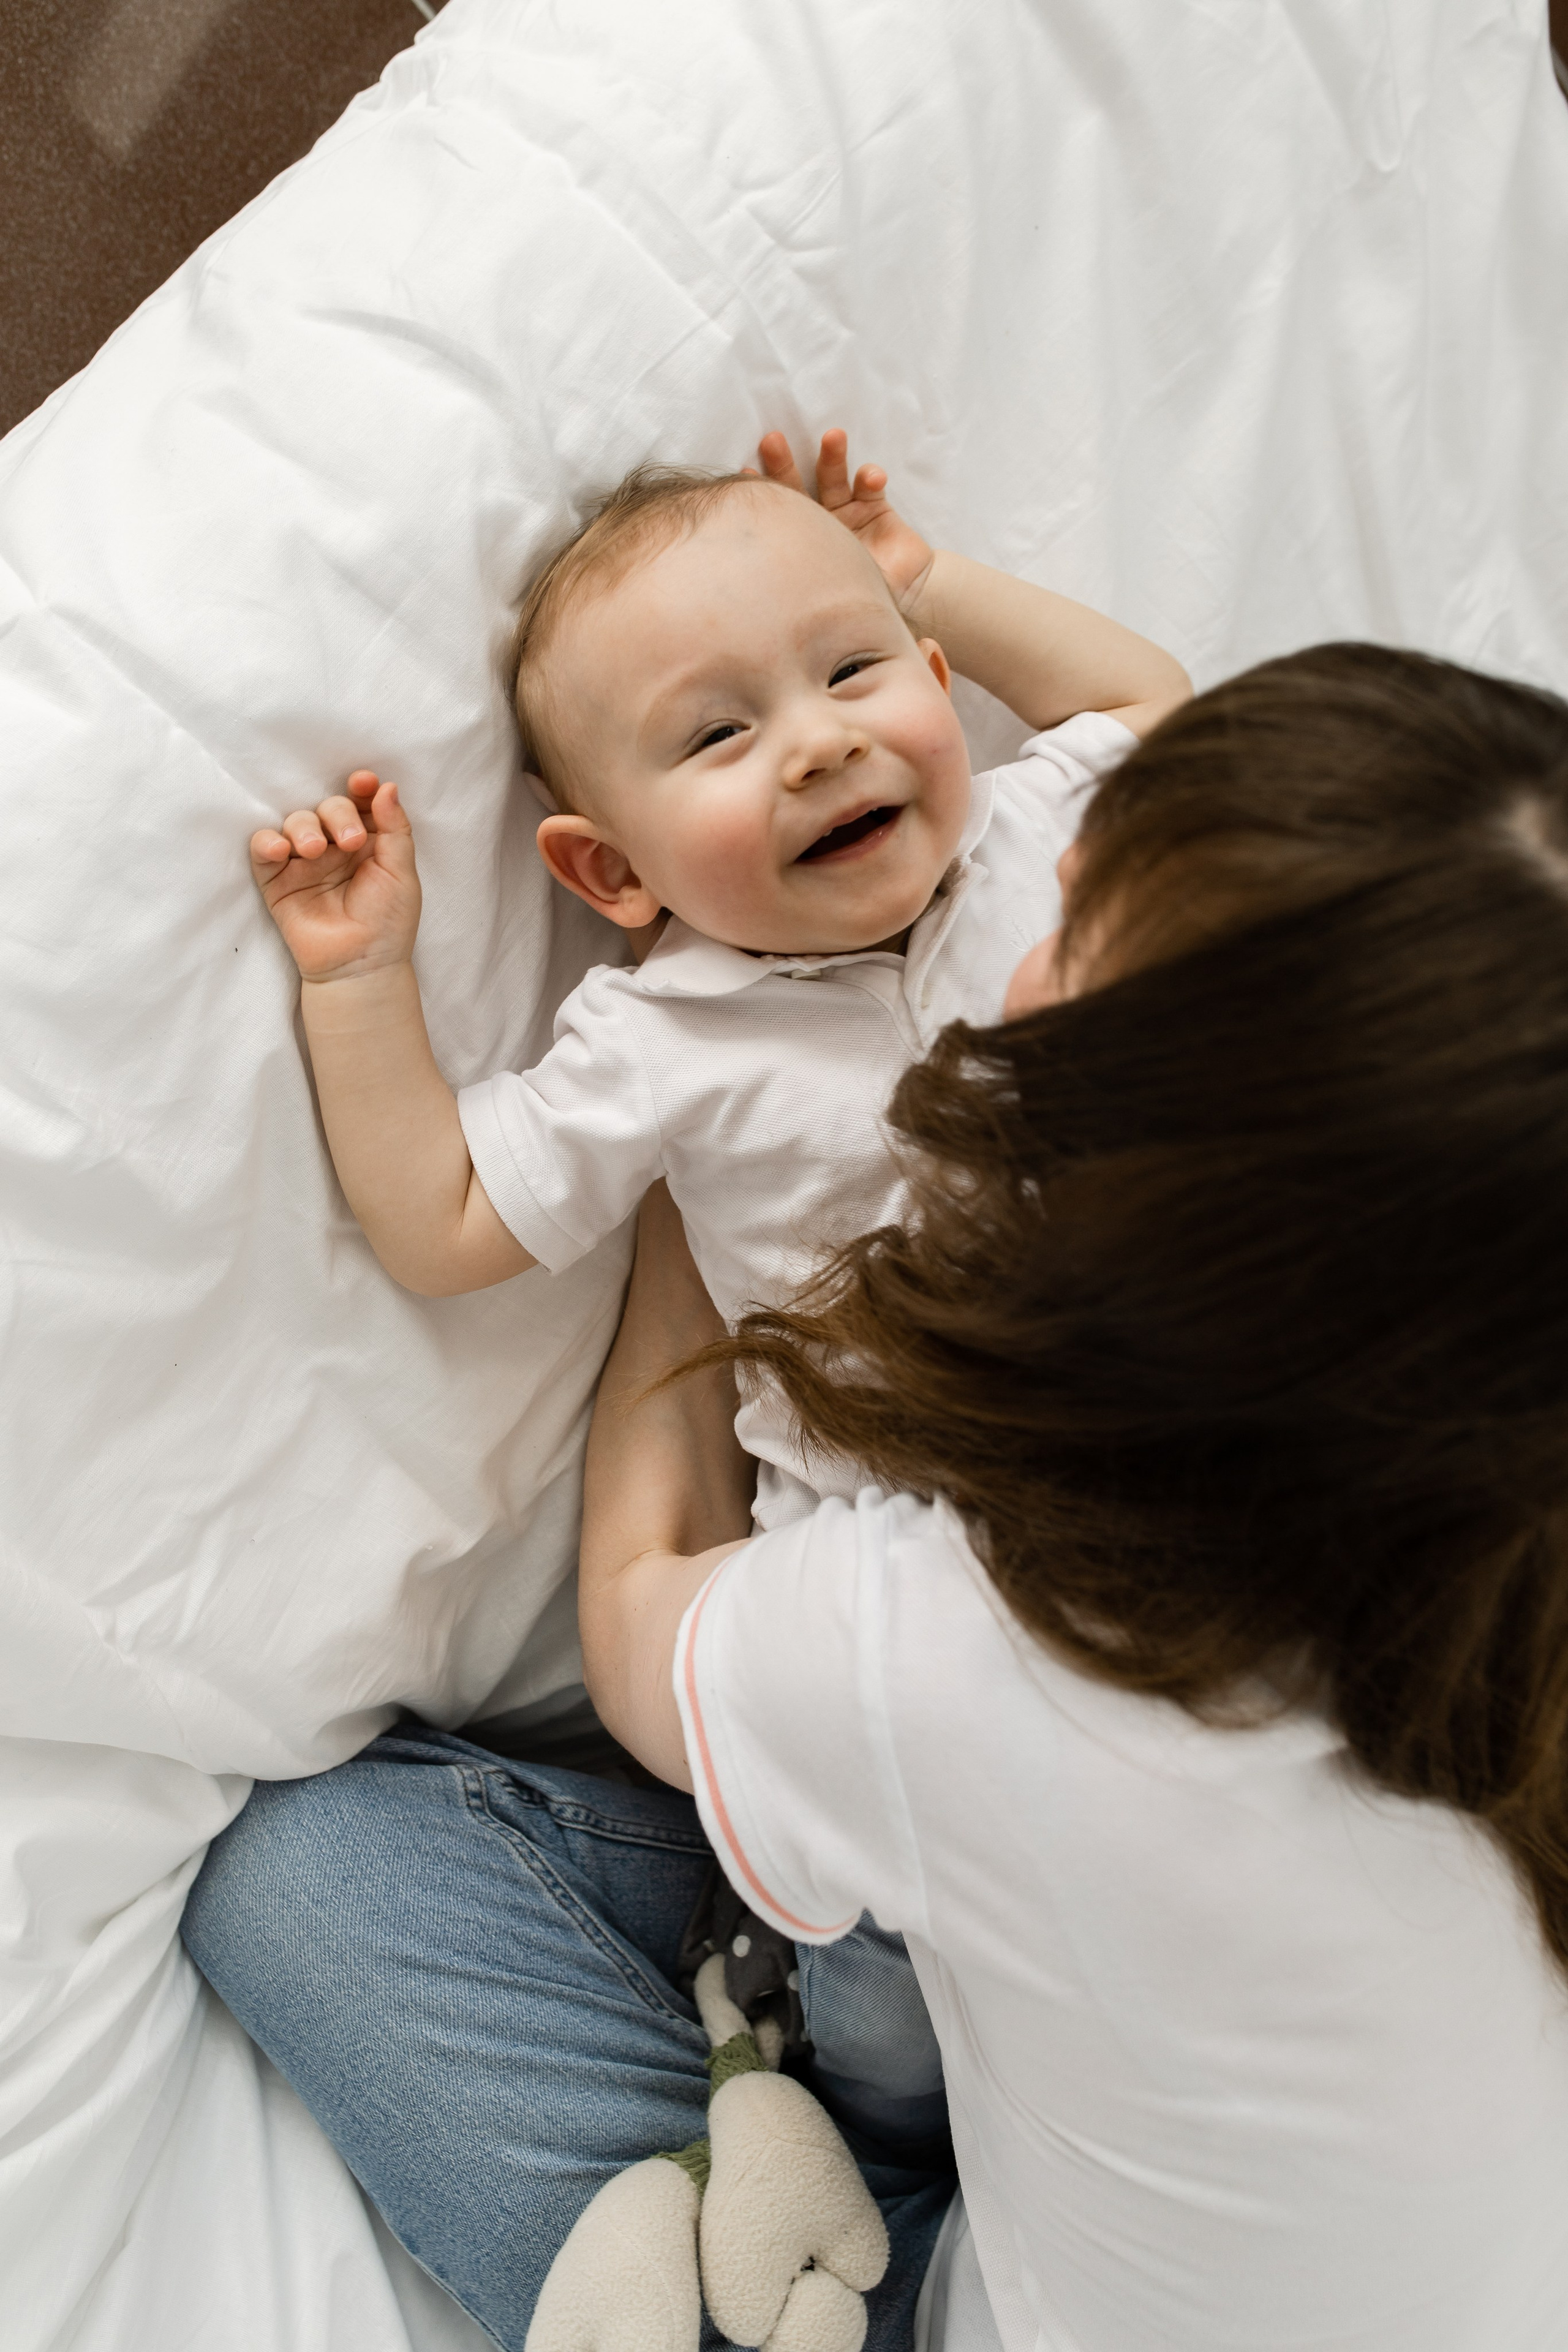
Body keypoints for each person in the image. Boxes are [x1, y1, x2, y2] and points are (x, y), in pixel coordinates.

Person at [186, 632, 1568, 2350]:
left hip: (987, 2244)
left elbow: (637, 1621)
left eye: (1076, 943)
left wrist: (691, 1223)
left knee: (310, 1875)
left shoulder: (983, 1635)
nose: (1025, 930)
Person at [233, 430, 1189, 2174]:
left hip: (1149, 1472)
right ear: (611, 876)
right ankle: (861, 2100)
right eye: (721, 733)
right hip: (870, 1567)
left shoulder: (1049, 841)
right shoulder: (664, 1039)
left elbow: (1157, 711)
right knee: (890, 1998)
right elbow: (447, 1218)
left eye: (851, 673)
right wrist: (361, 984)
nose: (820, 738)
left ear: (939, 690)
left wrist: (926, 574)